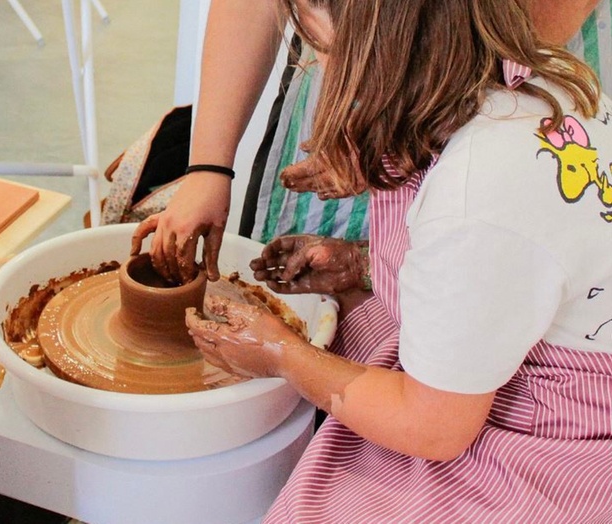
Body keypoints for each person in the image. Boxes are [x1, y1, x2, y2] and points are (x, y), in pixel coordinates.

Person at [185, 0, 612, 521]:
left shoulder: (476, 191)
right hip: (528, 337)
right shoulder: (532, 80)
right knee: (347, 327)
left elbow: (435, 429)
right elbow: (509, 274)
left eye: (314, 43)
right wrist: (362, 266)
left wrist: (281, 353)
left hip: (557, 427)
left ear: (374, 48)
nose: (309, 62)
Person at [131, 0, 607, 285]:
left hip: (496, 73)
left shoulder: (499, 152)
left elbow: (442, 410)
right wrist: (208, 169)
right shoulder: (342, 48)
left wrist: (408, 133)